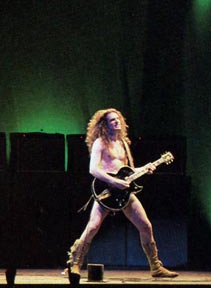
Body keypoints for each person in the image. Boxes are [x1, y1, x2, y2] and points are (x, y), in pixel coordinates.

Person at [66, 108, 178, 278]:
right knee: (93, 226)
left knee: (145, 225)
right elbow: (93, 169)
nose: (116, 122)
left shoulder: (124, 143)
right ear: (104, 124)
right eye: (112, 120)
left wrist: (145, 168)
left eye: (118, 119)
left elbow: (128, 171)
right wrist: (114, 182)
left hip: (124, 193)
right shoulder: (100, 143)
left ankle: (156, 267)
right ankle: (74, 264)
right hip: (106, 191)